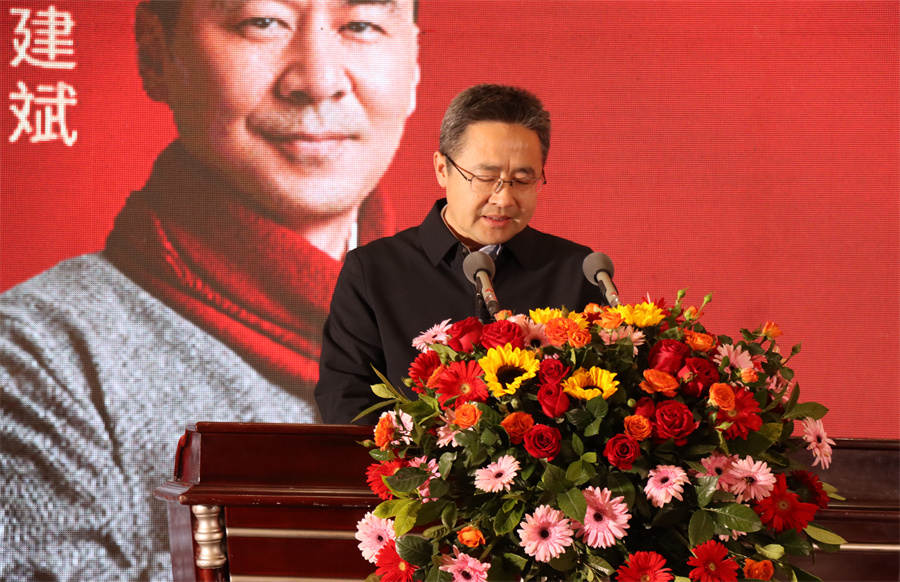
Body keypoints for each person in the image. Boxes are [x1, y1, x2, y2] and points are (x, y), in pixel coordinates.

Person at [0, 0, 419, 580]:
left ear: (415, 63)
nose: (318, 80)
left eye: (361, 25)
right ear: (157, 53)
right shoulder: (41, 359)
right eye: (262, 21)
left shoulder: (472, 338)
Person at [316, 84, 606, 424]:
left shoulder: (576, 271)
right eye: (485, 177)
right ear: (442, 169)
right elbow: (345, 404)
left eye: (522, 180)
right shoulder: (373, 271)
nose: (504, 199)